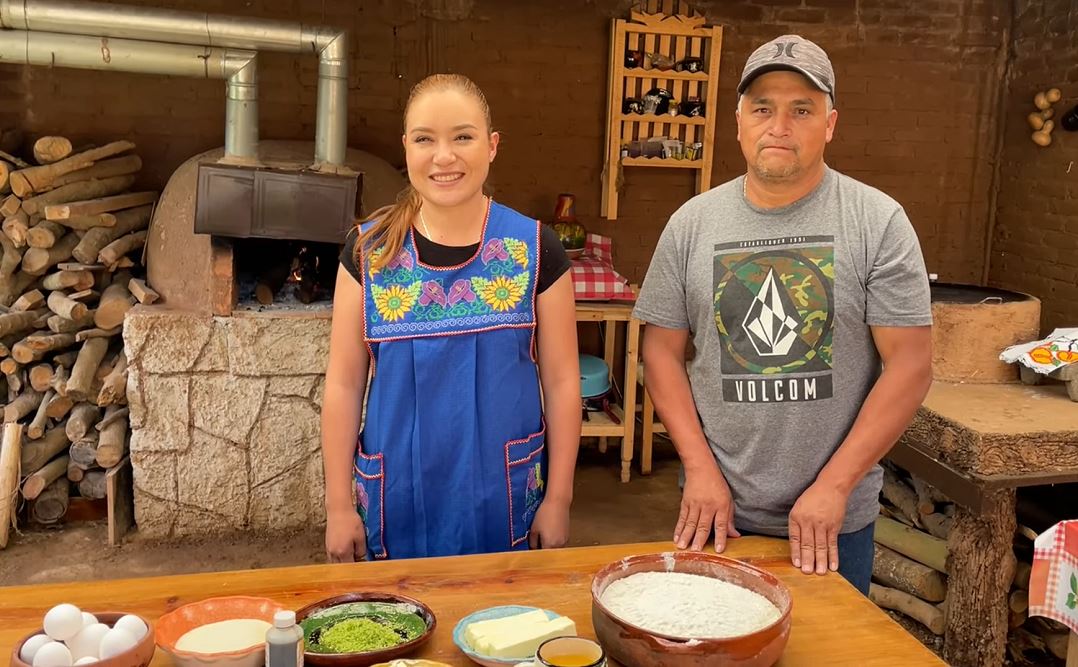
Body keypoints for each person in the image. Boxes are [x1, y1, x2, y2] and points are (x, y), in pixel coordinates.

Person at [633, 35, 933, 594]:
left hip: (833, 521)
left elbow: (910, 365)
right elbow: (660, 351)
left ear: (831, 124)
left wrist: (835, 488)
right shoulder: (691, 224)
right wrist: (698, 469)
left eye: (802, 110)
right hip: (716, 511)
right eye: (763, 108)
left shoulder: (878, 221)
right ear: (740, 121)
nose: (780, 126)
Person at [322, 73, 581, 562]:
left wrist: (559, 498)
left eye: (463, 136)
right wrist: (338, 505)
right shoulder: (369, 253)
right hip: (396, 495)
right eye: (425, 139)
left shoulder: (534, 249)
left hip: (502, 498)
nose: (444, 156)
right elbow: (343, 384)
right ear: (406, 147)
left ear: (492, 145)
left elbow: (565, 382)